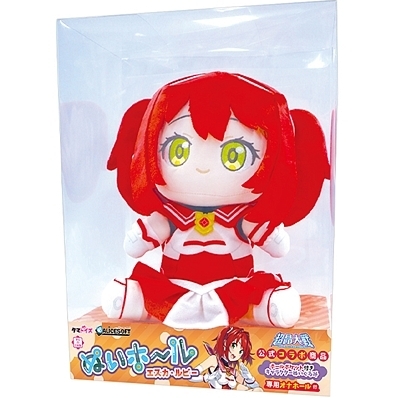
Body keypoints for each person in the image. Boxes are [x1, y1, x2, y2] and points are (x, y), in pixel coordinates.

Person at [101, 72, 329, 329]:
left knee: (247, 297)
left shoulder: (244, 219)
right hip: (176, 285)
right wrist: (141, 235)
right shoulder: (169, 217)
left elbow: (278, 247)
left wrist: (272, 234)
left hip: (232, 285)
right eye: (177, 150)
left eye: (235, 154)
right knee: (157, 294)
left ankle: (264, 307)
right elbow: (138, 243)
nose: (203, 168)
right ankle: (134, 301)